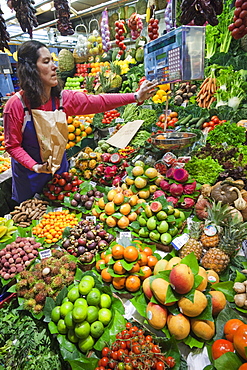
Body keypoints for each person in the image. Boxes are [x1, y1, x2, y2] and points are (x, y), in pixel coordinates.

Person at [4, 40, 158, 204]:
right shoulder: (16, 105)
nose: (54, 66)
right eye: (46, 61)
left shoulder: (63, 99)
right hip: (30, 177)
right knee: (33, 221)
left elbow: (99, 101)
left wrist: (135, 97)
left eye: (53, 60)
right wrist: (35, 166)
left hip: (60, 175)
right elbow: (12, 145)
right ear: (31, 70)